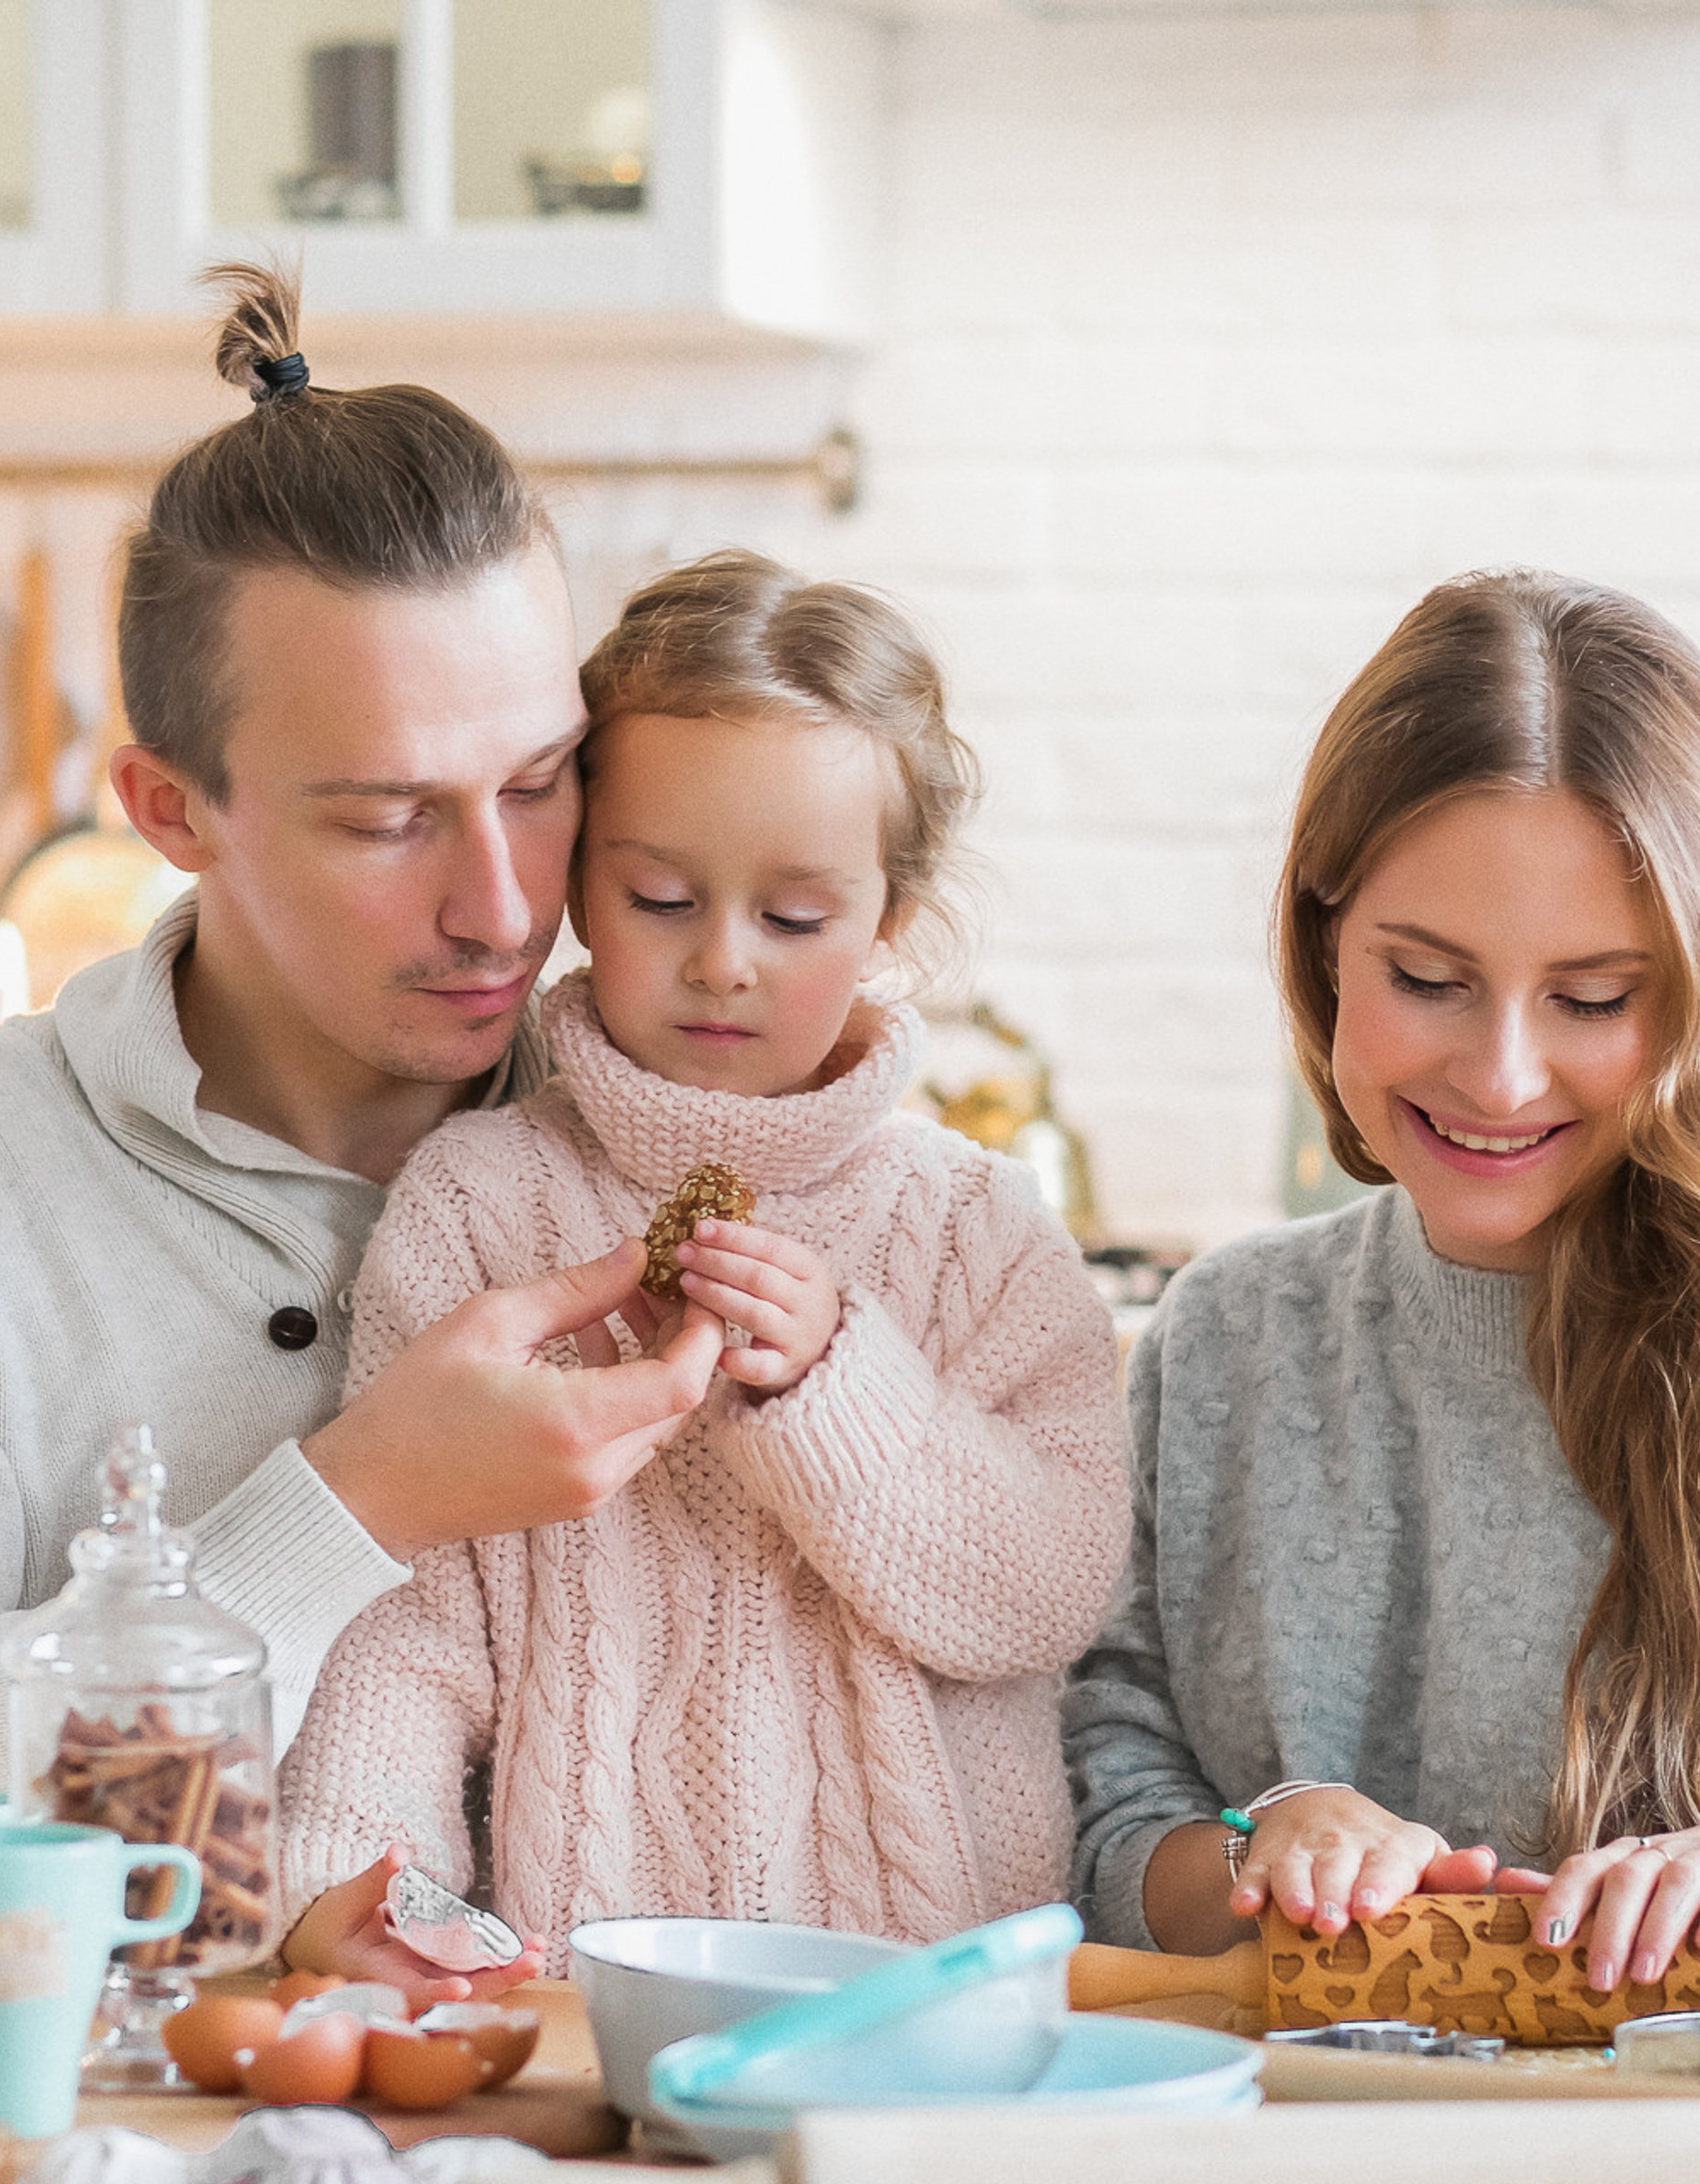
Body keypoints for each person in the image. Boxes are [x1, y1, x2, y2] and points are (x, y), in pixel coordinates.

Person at [0, 262, 718, 1978]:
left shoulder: (687, 1151)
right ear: (171, 809)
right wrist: (352, 1506)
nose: (498, 905)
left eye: (541, 784)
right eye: (388, 818)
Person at [1065, 568, 1700, 1990]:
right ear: (1327, 945)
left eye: (1593, 999)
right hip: (1296, 2160)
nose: (1501, 1075)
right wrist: (1267, 1840)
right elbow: (1109, 1808)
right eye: (1427, 979)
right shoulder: (1226, 1340)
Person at [278, 550, 1130, 1985]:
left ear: (888, 923)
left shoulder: (979, 1227)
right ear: (580, 893)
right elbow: (410, 1619)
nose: (725, 961)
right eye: (663, 898)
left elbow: (1046, 1595)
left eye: (794, 919)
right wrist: (362, 1884)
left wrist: (838, 1388)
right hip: (587, 1994)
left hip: (938, 2000)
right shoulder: (482, 1202)